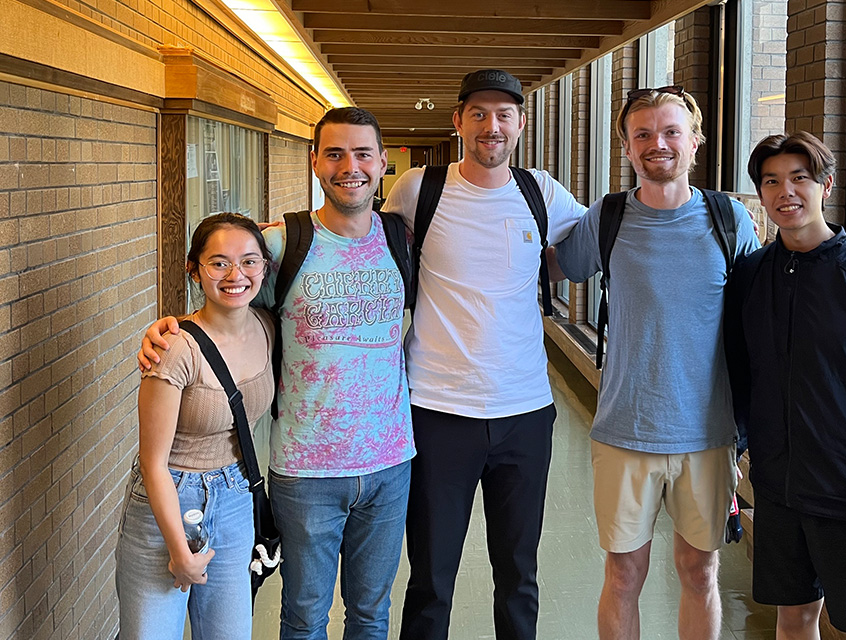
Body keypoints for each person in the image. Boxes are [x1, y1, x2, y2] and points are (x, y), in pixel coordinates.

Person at [139, 107, 415, 640]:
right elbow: (224, 292)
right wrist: (166, 329)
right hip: (305, 469)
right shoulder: (284, 244)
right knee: (305, 616)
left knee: (371, 615)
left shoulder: (402, 240)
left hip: (389, 462)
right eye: (334, 153)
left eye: (362, 153)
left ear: (383, 163)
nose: (349, 166)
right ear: (315, 162)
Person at [380, 69, 585, 640]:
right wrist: (270, 241)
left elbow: (611, 235)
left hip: (524, 412)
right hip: (437, 410)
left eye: (503, 115)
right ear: (458, 121)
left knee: (519, 574)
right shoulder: (421, 188)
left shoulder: (541, 191)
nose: (491, 126)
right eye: (478, 113)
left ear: (520, 123)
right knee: (430, 577)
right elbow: (360, 242)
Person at [552, 86, 760, 640]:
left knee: (701, 570)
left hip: (709, 434)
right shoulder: (609, 217)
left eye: (671, 132)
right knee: (623, 574)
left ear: (696, 141)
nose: (657, 144)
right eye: (642, 134)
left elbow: (769, 305)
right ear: (625, 147)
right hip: (625, 429)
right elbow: (555, 265)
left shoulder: (730, 219)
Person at [724, 132, 846, 639]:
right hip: (778, 491)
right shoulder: (750, 275)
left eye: (799, 178)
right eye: (771, 181)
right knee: (792, 616)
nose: (785, 192)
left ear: (826, 185)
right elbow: (740, 374)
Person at [117, 212, 275, 639]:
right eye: (218, 262)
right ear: (194, 270)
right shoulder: (173, 349)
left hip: (235, 498)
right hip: (168, 500)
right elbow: (153, 463)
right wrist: (178, 549)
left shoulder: (267, 326)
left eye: (249, 261)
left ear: (264, 265)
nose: (235, 275)